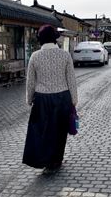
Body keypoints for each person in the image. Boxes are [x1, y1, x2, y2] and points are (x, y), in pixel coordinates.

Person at [23, 25, 78, 172]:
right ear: (55, 38)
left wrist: (29, 99)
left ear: (40, 39)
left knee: (43, 130)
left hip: (42, 99)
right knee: (60, 130)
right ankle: (56, 160)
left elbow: (31, 81)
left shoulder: (35, 56)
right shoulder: (65, 55)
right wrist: (74, 100)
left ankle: (45, 160)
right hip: (62, 97)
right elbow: (71, 79)